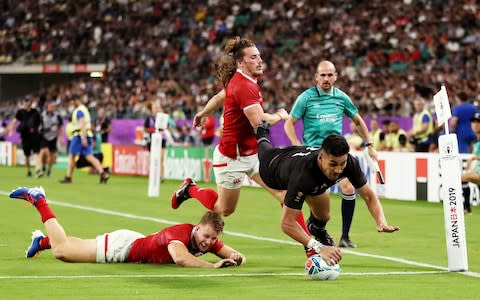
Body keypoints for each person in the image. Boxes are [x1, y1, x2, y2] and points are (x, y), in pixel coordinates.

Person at [171, 37, 310, 237]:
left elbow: (221, 96)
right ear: (240, 63)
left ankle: (311, 248)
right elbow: (260, 122)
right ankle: (190, 189)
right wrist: (280, 115)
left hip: (253, 153)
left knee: (285, 195)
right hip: (231, 157)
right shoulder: (244, 86)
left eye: (259, 56)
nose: (260, 60)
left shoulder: (242, 80)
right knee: (224, 209)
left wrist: (203, 113)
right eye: (253, 57)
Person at [256, 124, 399, 263]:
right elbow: (287, 224)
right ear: (321, 157)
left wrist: (381, 222)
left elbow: (368, 195)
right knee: (264, 146)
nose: (338, 170)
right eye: (333, 164)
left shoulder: (349, 163)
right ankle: (261, 131)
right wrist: (319, 247)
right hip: (271, 168)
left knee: (324, 216)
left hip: (297, 157)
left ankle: (316, 229)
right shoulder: (303, 176)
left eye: (342, 164)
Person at [8, 187, 245, 268]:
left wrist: (235, 258)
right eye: (206, 236)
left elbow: (234, 255)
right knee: (64, 252)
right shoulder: (179, 237)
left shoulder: (205, 238)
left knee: (72, 246)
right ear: (196, 228)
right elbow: (181, 259)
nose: (208, 242)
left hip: (132, 242)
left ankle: (42, 241)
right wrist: (213, 266)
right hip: (123, 248)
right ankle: (39, 200)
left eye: (212, 239)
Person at [283, 60, 378, 248]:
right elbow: (289, 123)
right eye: (323, 75)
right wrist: (297, 146)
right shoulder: (306, 98)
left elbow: (357, 121)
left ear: (336, 76)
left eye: (330, 75)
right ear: (316, 77)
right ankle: (315, 229)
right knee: (317, 203)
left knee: (349, 188)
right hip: (314, 157)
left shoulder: (341, 98)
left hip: (336, 155)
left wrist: (370, 144)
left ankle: (345, 236)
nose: (326, 78)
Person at [60, 94, 109, 184]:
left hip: (79, 135)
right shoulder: (84, 109)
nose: (72, 104)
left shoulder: (79, 110)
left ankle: (68, 177)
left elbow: (82, 123)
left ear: (76, 100)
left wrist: (83, 137)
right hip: (87, 134)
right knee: (89, 156)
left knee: (71, 156)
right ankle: (103, 174)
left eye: (72, 102)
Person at [8, 96, 42, 177]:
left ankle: (38, 170)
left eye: (28, 101)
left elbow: (40, 122)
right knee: (27, 155)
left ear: (31, 102)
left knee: (36, 153)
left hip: (34, 136)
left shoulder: (35, 112)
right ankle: (29, 171)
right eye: (25, 101)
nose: (27, 103)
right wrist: (11, 130)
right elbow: (14, 121)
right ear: (23, 103)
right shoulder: (20, 112)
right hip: (25, 136)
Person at [460, 112, 480, 214]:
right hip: (477, 171)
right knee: (463, 178)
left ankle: (467, 208)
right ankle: (467, 208)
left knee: (462, 178)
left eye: (478, 122)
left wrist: (473, 159)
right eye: (473, 122)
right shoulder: (476, 140)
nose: (475, 124)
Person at [38, 101, 63, 177]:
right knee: (44, 152)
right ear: (47, 107)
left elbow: (61, 127)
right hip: (44, 136)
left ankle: (49, 171)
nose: (52, 108)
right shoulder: (43, 115)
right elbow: (39, 125)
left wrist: (61, 137)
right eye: (50, 107)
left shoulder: (57, 116)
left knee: (51, 155)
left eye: (53, 107)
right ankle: (41, 168)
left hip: (53, 137)